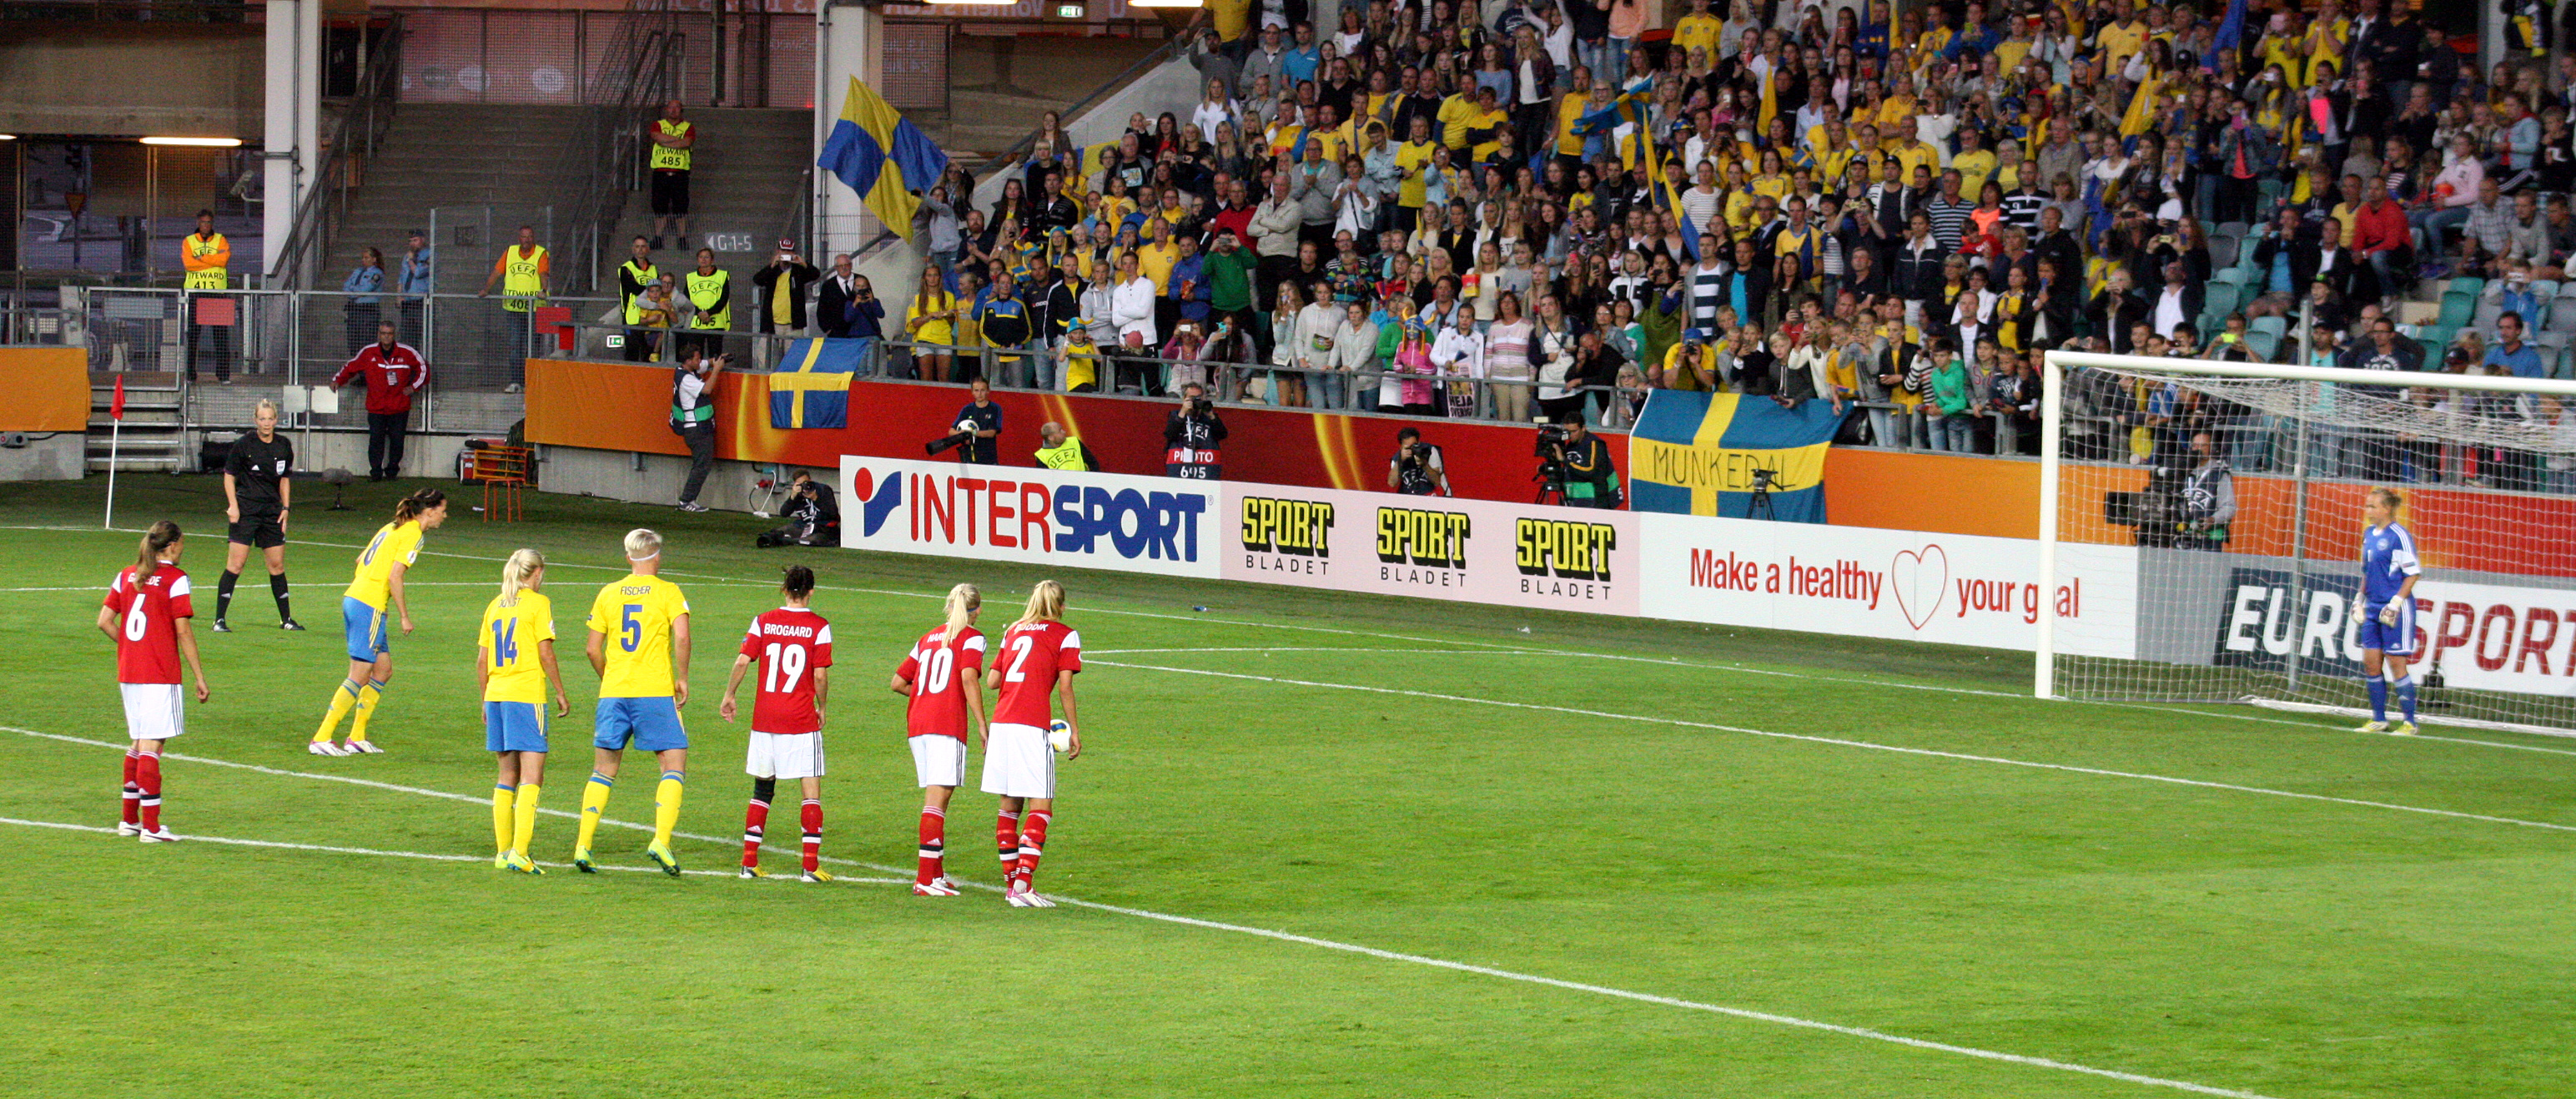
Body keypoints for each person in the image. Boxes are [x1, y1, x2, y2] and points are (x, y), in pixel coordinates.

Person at [574, 527, 694, 876]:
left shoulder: (608, 593)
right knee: (673, 763)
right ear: (658, 556)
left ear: (628, 557)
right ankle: (661, 840)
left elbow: (592, 649)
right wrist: (683, 677)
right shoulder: (668, 592)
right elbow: (682, 636)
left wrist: (610, 679)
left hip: (613, 692)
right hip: (653, 690)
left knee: (603, 769)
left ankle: (583, 845)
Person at [718, 563, 836, 883]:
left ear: (784, 589)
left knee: (762, 788)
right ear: (811, 591)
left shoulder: (763, 621)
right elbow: (820, 675)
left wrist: (729, 694)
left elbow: (742, 660)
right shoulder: (819, 626)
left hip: (764, 720)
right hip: (800, 720)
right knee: (810, 790)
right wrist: (822, 706)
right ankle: (810, 867)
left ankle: (748, 863)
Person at [310, 489, 447, 757]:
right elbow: (395, 576)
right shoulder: (413, 534)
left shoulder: (392, 526)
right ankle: (322, 737)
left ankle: (357, 737)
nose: (445, 516)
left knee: (383, 670)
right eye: (442, 511)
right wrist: (404, 616)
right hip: (368, 604)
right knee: (360, 673)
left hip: (357, 598)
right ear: (429, 512)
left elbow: (360, 559)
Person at [100, 521, 209, 844]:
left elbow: (104, 621)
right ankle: (151, 827)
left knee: (138, 742)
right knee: (152, 745)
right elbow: (183, 630)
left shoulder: (127, 574)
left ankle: (129, 821)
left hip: (129, 672)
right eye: (182, 542)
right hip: (160, 673)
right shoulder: (176, 579)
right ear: (172, 545)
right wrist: (199, 676)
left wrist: (131, 648)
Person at [985, 580, 1084, 908]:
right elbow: (1065, 687)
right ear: (1062, 606)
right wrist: (1074, 730)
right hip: (1031, 724)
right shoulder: (1065, 635)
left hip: (1002, 722)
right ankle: (1024, 886)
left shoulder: (1013, 630)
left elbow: (993, 681)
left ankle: (1011, 885)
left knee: (1009, 805)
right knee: (1041, 806)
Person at [475, 548, 569, 875]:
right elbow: (546, 652)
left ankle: (503, 853)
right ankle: (521, 852)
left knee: (506, 776)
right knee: (532, 776)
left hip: (497, 696)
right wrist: (559, 691)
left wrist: (485, 700)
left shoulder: (494, 606)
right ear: (537, 572)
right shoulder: (538, 604)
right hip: (526, 696)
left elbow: (482, 660)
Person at [893, 582, 989, 896]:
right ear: (977, 610)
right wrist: (982, 724)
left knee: (940, 797)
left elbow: (898, 682)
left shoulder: (927, 638)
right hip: (945, 724)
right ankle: (924, 880)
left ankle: (935, 872)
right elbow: (968, 677)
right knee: (936, 800)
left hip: (918, 724)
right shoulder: (973, 638)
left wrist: (925, 697)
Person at [214, 398, 300, 633]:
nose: (266, 423)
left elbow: (284, 479)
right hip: (246, 511)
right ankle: (219, 620)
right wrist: (233, 506)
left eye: (270, 418)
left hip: (272, 513)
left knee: (277, 566)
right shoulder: (244, 445)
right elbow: (229, 475)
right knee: (236, 564)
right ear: (255, 420)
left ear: (276, 420)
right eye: (262, 419)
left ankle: (286, 620)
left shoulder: (283, 445)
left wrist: (285, 508)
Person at [2352, 487, 2423, 735]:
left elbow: (2412, 574)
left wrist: (2395, 604)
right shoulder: (2368, 534)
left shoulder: (2399, 535)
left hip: (2395, 609)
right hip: (2372, 608)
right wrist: (2359, 599)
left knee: (2396, 663)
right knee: (2371, 664)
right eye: (2367, 506)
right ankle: (2379, 719)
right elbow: (2367, 572)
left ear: (2387, 508)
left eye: (2373, 506)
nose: (2368, 510)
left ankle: (2410, 723)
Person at [330, 321, 429, 481]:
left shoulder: (407, 352)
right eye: (383, 333)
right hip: (376, 407)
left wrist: (413, 387)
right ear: (379, 334)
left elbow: (423, 368)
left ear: (394, 335)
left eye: (389, 334)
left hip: (399, 407)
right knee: (376, 441)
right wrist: (337, 380)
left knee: (397, 441)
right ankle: (375, 473)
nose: (386, 337)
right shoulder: (368, 352)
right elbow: (350, 367)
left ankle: (392, 473)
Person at [478, 224, 551, 384]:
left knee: (533, 347)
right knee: (515, 345)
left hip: (534, 309)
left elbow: (543, 273)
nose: (527, 240)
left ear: (533, 238)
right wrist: (486, 289)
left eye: (530, 236)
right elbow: (497, 272)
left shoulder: (540, 253)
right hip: (514, 309)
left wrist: (544, 290)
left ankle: (531, 382)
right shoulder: (510, 252)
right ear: (519, 238)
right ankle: (516, 381)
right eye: (524, 236)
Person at [672, 346, 726, 512]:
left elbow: (706, 364)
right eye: (697, 359)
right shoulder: (686, 378)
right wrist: (716, 369)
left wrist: (718, 359)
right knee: (701, 466)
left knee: (701, 465)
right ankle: (686, 501)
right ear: (688, 361)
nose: (700, 361)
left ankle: (689, 500)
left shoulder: (687, 370)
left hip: (698, 427)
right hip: (696, 428)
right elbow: (707, 389)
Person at [180, 209, 232, 383]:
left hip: (217, 293)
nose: (206, 225)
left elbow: (223, 261)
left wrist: (201, 258)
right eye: (203, 222)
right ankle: (190, 375)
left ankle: (223, 375)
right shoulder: (189, 241)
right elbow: (189, 264)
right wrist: (212, 260)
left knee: (221, 337)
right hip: (195, 293)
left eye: (209, 222)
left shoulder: (221, 239)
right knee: (192, 336)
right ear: (198, 223)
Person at [647, 98, 697, 249]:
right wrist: (678, 140)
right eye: (671, 107)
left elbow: (687, 142)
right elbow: (657, 137)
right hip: (660, 172)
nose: (674, 110)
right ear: (666, 109)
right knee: (659, 206)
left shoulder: (688, 127)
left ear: (681, 110)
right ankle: (658, 237)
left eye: (677, 107)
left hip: (680, 173)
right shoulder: (658, 124)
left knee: (681, 207)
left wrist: (666, 141)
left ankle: (682, 238)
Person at [2178, 431, 2236, 551]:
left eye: (2203, 446)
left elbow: (2229, 507)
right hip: (2181, 537)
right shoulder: (2182, 471)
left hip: (2209, 540)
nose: (2198, 449)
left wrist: (2213, 519)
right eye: (2195, 445)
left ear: (2213, 448)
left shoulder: (2220, 474)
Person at [752, 239, 820, 337]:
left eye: (789, 251)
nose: (786, 254)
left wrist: (803, 263)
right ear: (778, 252)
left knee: (793, 347)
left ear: (793, 253)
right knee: (767, 347)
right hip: (772, 324)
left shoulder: (798, 271)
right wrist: (772, 265)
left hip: (794, 325)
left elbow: (816, 274)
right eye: (783, 251)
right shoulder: (772, 271)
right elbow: (757, 279)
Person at [758, 469, 839, 548]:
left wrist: (815, 499)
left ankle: (791, 540)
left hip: (823, 527)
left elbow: (833, 513)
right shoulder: (798, 494)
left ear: (810, 480)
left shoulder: (823, 489)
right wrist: (792, 497)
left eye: (806, 483)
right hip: (803, 526)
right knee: (780, 532)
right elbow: (784, 513)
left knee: (813, 540)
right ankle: (772, 540)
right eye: (801, 485)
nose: (805, 487)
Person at [1552, 413, 1619, 508]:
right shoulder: (1570, 445)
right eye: (1567, 431)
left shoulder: (1594, 444)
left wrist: (1564, 460)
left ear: (1583, 428)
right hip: (1576, 499)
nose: (1570, 435)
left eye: (1574, 431)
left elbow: (1589, 470)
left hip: (1595, 500)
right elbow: (1570, 471)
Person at [1164, 381, 1227, 478]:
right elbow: (1170, 434)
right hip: (1180, 469)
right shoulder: (1176, 415)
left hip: (1205, 470)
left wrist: (1211, 415)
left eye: (1198, 398)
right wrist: (1183, 412)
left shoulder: (1209, 418)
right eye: (1192, 398)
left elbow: (1222, 435)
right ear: (1184, 399)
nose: (1195, 402)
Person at [678, 248, 732, 360]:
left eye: (707, 257)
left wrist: (709, 313)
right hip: (695, 323)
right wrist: (699, 313)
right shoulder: (690, 277)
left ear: (712, 260)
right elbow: (687, 299)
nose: (703, 260)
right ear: (697, 259)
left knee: (715, 357)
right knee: (695, 357)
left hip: (716, 322)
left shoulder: (722, 275)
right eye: (701, 257)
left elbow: (724, 298)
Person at [616, 235, 661, 363]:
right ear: (633, 249)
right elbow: (634, 288)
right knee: (632, 352)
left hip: (650, 317)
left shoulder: (653, 269)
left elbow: (659, 289)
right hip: (632, 317)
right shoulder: (626, 268)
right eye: (637, 247)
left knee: (648, 353)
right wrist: (652, 291)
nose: (640, 250)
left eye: (643, 246)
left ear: (647, 249)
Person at [342, 247, 385, 355]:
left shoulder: (377, 273)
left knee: (366, 338)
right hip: (354, 308)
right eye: (363, 258)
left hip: (368, 309)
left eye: (367, 258)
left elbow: (366, 289)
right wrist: (355, 292)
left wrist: (354, 290)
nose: (363, 260)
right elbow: (346, 286)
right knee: (353, 338)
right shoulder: (358, 271)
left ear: (374, 259)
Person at [397, 229, 434, 347]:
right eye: (410, 241)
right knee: (407, 337)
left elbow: (418, 273)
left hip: (421, 302)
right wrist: (399, 296)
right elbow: (402, 277)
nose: (412, 243)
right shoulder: (406, 256)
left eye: (415, 240)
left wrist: (411, 260)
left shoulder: (430, 255)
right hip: (407, 302)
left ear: (422, 240)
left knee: (425, 337)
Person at [1388, 426, 1448, 495]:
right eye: (1408, 448)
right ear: (1401, 447)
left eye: (1414, 446)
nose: (1411, 450)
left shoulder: (1430, 451)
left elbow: (1437, 481)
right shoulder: (1397, 457)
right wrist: (1400, 461)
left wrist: (1424, 464)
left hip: (1431, 494)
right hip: (1409, 495)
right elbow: (1392, 483)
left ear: (1419, 442)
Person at [957, 376, 1001, 465]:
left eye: (982, 390)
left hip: (989, 458)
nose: (979, 394)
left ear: (988, 391)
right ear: (972, 392)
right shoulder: (967, 409)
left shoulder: (995, 408)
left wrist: (973, 433)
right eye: (976, 390)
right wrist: (962, 434)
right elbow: (952, 431)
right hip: (969, 458)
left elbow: (992, 432)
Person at [1035, 421, 1100, 471]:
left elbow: (1093, 463)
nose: (1064, 432)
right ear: (1051, 438)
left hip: (1082, 483)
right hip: (1062, 485)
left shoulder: (1074, 442)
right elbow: (1045, 478)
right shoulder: (1041, 456)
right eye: (1060, 431)